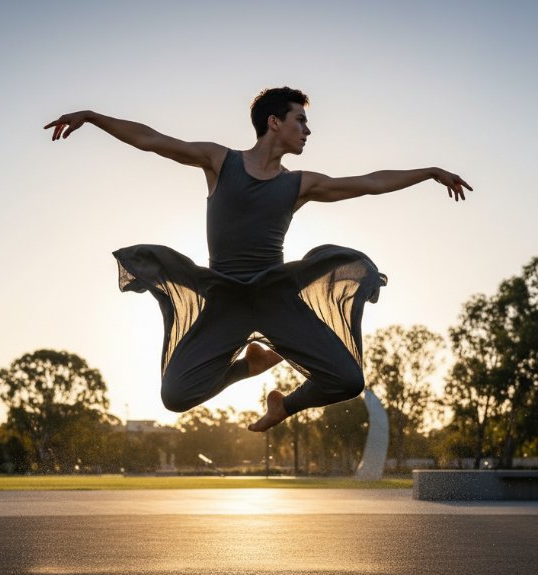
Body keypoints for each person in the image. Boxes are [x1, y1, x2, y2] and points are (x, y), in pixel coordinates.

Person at [45, 87, 471, 432]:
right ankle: (251, 364)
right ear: (275, 122)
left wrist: (430, 172)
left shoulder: (299, 184)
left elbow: (369, 183)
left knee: (347, 379)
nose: (307, 130)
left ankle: (283, 405)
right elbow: (153, 140)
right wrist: (92, 116)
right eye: (300, 120)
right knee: (175, 396)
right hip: (224, 296)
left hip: (274, 295)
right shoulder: (219, 161)